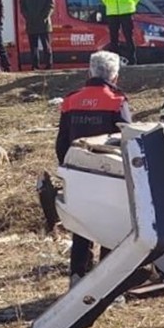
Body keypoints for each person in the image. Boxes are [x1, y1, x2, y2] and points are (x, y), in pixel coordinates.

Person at [55, 50, 132, 286]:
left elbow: (61, 143)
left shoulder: (70, 100)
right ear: (115, 76)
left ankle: (78, 276)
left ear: (90, 71)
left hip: (78, 172)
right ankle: (106, 283)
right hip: (110, 176)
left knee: (82, 224)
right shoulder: (117, 101)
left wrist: (67, 168)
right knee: (111, 227)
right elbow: (128, 141)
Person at [19, 0, 54, 70]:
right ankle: (35, 67)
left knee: (46, 46)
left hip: (44, 22)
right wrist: (27, 17)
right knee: (33, 47)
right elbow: (22, 5)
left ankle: (49, 66)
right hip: (31, 22)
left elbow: (51, 5)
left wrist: (45, 17)